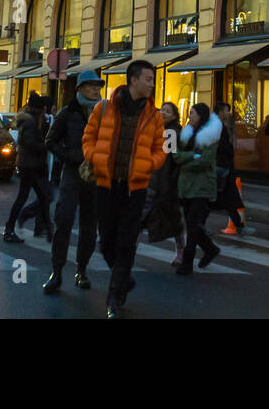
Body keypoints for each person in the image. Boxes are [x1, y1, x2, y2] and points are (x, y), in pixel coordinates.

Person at [82, 59, 168, 318]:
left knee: (126, 242)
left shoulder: (154, 116)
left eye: (153, 80)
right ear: (133, 80)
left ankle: (114, 295)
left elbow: (161, 148)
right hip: (106, 185)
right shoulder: (104, 108)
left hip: (135, 188)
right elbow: (88, 137)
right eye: (148, 79)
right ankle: (123, 279)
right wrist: (95, 157)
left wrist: (147, 166)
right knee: (106, 241)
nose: (152, 84)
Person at [43, 74, 102, 293]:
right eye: (91, 86)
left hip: (96, 175)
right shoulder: (67, 113)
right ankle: (56, 272)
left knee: (90, 227)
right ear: (80, 88)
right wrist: (68, 155)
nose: (95, 90)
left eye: (98, 86)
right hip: (72, 173)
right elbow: (50, 141)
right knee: (64, 220)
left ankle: (82, 270)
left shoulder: (105, 113)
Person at [175, 102, 222, 275]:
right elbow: (175, 156)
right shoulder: (182, 133)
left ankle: (187, 261)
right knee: (190, 223)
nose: (189, 116)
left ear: (201, 115)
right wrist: (191, 156)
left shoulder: (210, 136)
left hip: (201, 186)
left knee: (193, 224)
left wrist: (185, 163)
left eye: (192, 113)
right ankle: (210, 249)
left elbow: (205, 160)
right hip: (185, 185)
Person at [3, 92, 53, 243]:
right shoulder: (31, 123)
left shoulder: (33, 122)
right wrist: (46, 146)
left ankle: (44, 228)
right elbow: (30, 143)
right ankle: (11, 228)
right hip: (30, 166)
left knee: (43, 196)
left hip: (31, 165)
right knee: (36, 197)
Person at [144, 102, 185, 263]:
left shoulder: (170, 133)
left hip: (163, 181)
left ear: (175, 115)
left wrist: (165, 183)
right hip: (156, 179)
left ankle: (181, 253)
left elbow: (169, 159)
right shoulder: (159, 129)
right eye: (162, 109)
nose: (164, 113)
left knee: (172, 219)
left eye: (168, 111)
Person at [213, 101, 247, 235]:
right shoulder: (217, 126)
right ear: (221, 112)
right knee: (222, 196)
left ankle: (238, 224)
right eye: (227, 110)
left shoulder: (220, 125)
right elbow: (222, 146)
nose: (228, 113)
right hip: (221, 166)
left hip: (223, 167)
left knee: (227, 196)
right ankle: (238, 224)